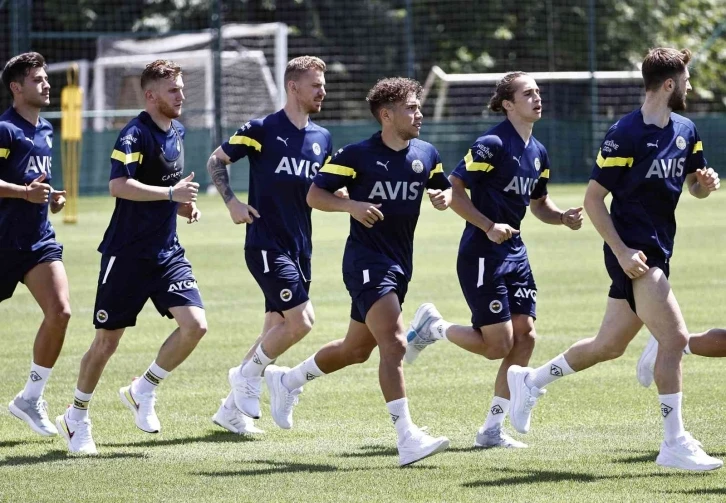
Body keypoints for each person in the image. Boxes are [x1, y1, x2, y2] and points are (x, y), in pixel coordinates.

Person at [506, 48, 722, 471]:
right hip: (634, 252)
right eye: (686, 79)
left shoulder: (686, 129)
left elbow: (694, 187)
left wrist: (705, 185)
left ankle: (530, 380)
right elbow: (593, 199)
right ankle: (674, 442)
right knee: (674, 339)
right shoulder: (624, 133)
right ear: (668, 84)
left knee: (608, 346)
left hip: (659, 248)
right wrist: (621, 251)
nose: (690, 85)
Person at [264, 77, 452, 467]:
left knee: (357, 350)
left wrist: (442, 196)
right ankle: (407, 438)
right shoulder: (357, 155)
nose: (419, 114)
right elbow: (314, 195)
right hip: (366, 261)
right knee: (395, 344)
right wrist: (351, 206)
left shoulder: (427, 153)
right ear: (387, 115)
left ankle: (287, 381)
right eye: (411, 108)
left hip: (400, 263)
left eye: (418, 107)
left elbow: (443, 186)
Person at [403, 72, 583, 449]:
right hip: (482, 253)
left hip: (516, 252)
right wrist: (487, 225)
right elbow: (454, 188)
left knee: (526, 336)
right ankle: (434, 327)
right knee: (497, 346)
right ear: (508, 104)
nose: (537, 98)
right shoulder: (492, 144)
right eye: (528, 93)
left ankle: (491, 430)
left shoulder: (538, 151)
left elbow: (539, 203)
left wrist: (561, 217)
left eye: (538, 92)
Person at [56, 60, 206, 455]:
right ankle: (75, 417)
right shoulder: (134, 134)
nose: (181, 95)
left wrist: (181, 205)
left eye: (181, 88)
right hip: (126, 255)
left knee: (195, 326)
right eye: (173, 90)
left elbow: (163, 188)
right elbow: (119, 185)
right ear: (151, 95)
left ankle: (143, 389)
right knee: (106, 343)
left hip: (167, 253)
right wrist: (170, 195)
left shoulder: (178, 132)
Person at [206, 56, 333, 435]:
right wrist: (231, 202)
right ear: (293, 87)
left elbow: (324, 188)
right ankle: (245, 376)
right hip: (265, 243)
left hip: (301, 247)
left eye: (323, 84)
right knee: (302, 321)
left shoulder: (322, 138)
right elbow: (217, 160)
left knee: (275, 327)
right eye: (316, 85)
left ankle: (230, 410)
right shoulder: (262, 129)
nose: (323, 91)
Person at [1, 52, 70, 437]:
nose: (47, 84)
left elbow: (37, 182)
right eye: (38, 80)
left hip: (38, 242)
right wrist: (23, 193)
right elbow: (19, 187)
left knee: (60, 312)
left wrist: (50, 198)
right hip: (2, 242)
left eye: (46, 78)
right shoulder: (5, 130)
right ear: (16, 87)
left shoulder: (44, 129)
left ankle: (30, 397)